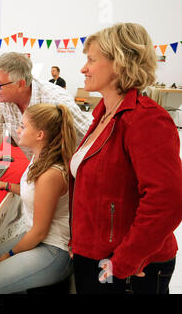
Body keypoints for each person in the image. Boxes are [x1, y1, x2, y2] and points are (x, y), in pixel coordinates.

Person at [70, 22, 182, 294]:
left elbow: (167, 200)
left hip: (126, 265)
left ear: (119, 64)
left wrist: (125, 261)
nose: (83, 68)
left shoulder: (145, 119)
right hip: (96, 256)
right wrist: (80, 245)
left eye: (91, 60)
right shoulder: (103, 115)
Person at [0, 103, 76, 293]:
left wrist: (10, 254)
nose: (18, 130)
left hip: (53, 249)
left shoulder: (51, 174)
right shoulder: (40, 157)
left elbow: (39, 232)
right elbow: (39, 196)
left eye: (23, 126)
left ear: (40, 135)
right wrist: (6, 186)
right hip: (39, 238)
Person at [0, 52, 91, 178]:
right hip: (39, 169)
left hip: (69, 176)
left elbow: (89, 141)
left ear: (20, 84)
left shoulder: (56, 100)